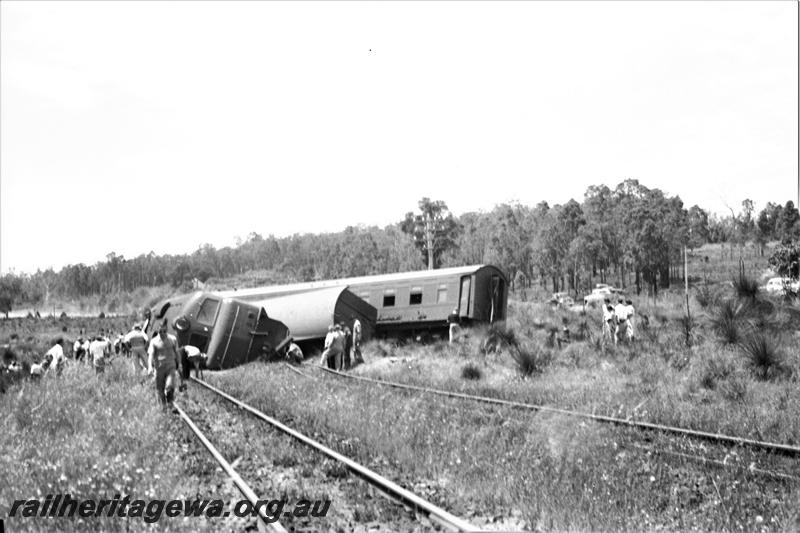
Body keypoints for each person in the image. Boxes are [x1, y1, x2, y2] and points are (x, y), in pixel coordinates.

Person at [147, 320, 182, 407]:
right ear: (158, 330)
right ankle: (163, 407)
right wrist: (150, 367)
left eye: (164, 331)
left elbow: (177, 352)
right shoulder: (154, 341)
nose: (162, 333)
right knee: (160, 389)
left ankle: (170, 403)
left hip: (171, 366)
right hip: (159, 368)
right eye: (160, 331)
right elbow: (151, 355)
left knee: (169, 386)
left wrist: (180, 364)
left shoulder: (172, 339)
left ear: (167, 330)